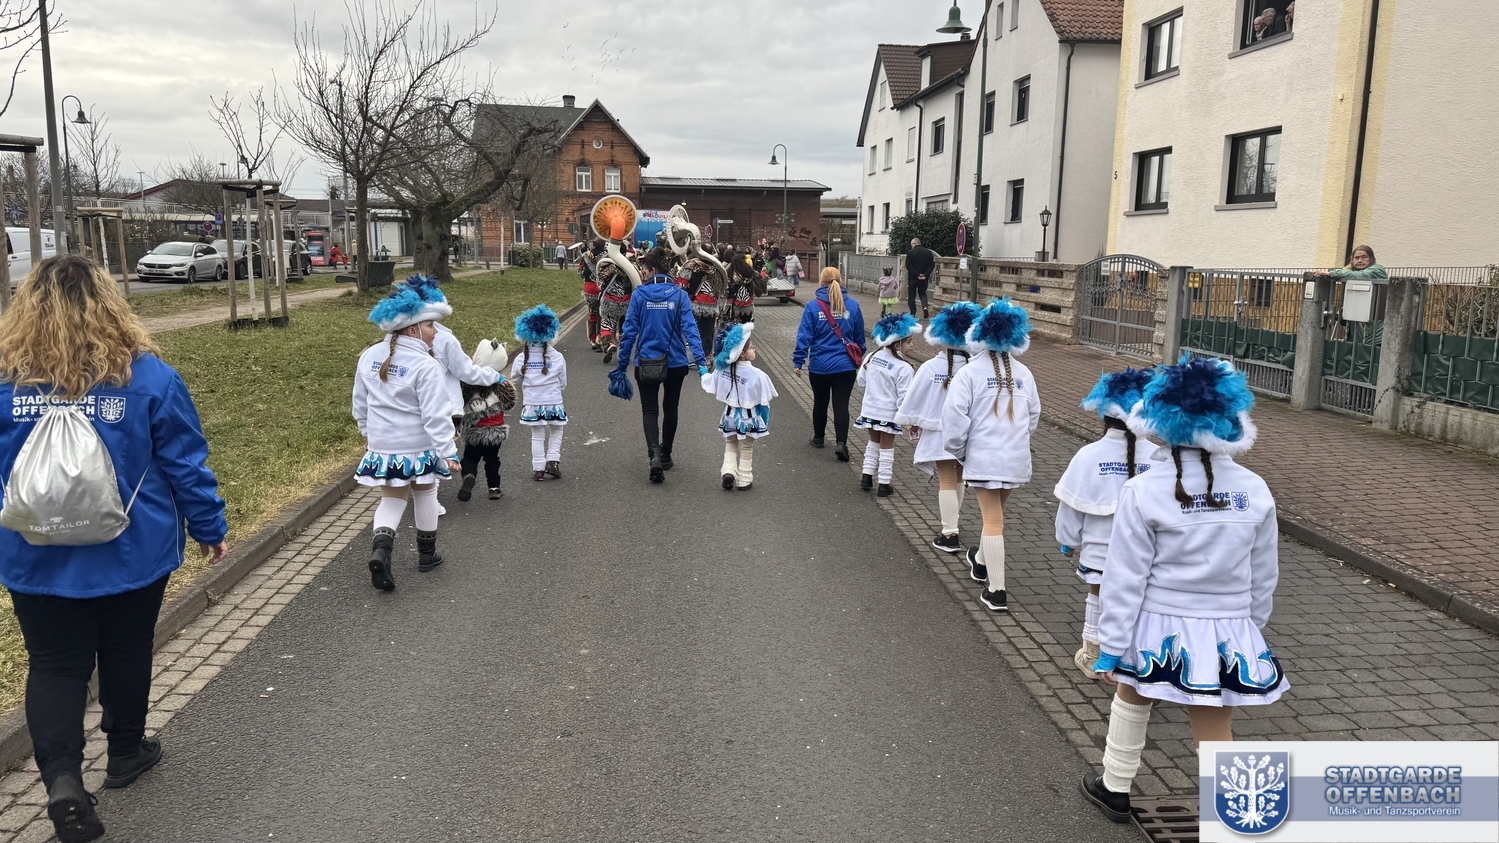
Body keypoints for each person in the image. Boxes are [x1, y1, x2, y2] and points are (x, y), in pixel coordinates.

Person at [0, 256, 227, 843]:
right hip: (133, 549)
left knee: (55, 664)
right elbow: (185, 464)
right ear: (110, 305)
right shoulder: (148, 378)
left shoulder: (4, 384)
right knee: (127, 648)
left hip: (34, 553)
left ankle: (62, 781)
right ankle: (126, 752)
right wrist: (208, 527)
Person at [1080, 356, 1285, 824]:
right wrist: (1250, 626)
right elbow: (1264, 570)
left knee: (1132, 695)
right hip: (1227, 625)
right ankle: (1237, 812)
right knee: (1214, 718)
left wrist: (1111, 645)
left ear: (1160, 419)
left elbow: (1125, 576)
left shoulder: (1144, 489)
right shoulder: (1255, 488)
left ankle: (1115, 786)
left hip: (1157, 622)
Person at [355, 279, 462, 591]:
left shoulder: (369, 356)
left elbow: (359, 402)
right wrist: (448, 451)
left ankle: (381, 551)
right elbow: (435, 415)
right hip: (418, 444)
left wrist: (366, 431)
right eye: (430, 325)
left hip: (382, 444)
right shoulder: (426, 365)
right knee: (425, 493)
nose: (435, 331)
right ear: (413, 329)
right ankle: (427, 556)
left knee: (391, 498)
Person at [1054, 367, 1155, 678]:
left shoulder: (1088, 455)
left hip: (1100, 549)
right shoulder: (1160, 456)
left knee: (1097, 596)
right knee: (1139, 600)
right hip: (1145, 553)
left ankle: (1092, 653)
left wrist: (1068, 540)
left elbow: (1071, 507)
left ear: (1104, 414)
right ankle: (1135, 654)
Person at [941, 298, 1040, 613]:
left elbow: (954, 420)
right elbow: (1033, 417)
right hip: (1015, 458)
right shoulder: (1025, 373)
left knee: (993, 519)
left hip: (984, 457)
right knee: (996, 515)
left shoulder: (969, 373)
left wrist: (960, 451)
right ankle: (981, 561)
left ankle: (997, 591)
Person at [610, 247, 709, 483]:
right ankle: (666, 454)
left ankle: (653, 454)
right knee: (671, 407)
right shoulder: (680, 296)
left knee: (649, 410)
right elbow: (691, 331)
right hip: (675, 362)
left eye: (644, 271)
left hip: (646, 362)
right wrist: (701, 363)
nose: (642, 275)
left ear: (653, 270)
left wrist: (622, 367)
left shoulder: (639, 296)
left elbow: (629, 333)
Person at [895, 301, 981, 554]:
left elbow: (913, 400)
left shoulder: (930, 367)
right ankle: (953, 522)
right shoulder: (975, 369)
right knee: (958, 477)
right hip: (968, 434)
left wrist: (914, 422)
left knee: (946, 479)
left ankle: (949, 532)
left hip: (939, 433)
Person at [792, 267, 866, 462]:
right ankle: (841, 443)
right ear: (840, 281)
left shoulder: (812, 306)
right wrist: (860, 355)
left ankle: (819, 438)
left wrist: (799, 360)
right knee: (841, 405)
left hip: (820, 366)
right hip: (845, 366)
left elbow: (804, 336)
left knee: (820, 402)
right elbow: (859, 337)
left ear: (821, 282)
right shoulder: (853, 305)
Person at [702, 323, 777, 490]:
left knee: (730, 442)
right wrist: (764, 420)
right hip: (750, 417)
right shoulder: (759, 376)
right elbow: (764, 402)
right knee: (747, 446)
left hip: (729, 416)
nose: (754, 349)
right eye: (751, 347)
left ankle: (728, 471)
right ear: (742, 353)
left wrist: (703, 371)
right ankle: (744, 478)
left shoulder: (723, 370)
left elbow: (709, 382)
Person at [856, 313, 918, 496]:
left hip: (869, 409)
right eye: (909, 342)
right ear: (897, 344)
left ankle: (866, 476)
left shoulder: (872, 356)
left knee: (873, 442)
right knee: (887, 446)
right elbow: (904, 398)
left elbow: (861, 381)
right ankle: (884, 483)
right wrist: (909, 419)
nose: (912, 345)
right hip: (888, 414)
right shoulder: (904, 367)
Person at [510, 305, 569, 482]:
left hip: (533, 402)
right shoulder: (557, 357)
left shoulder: (521, 359)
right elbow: (563, 381)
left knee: (537, 435)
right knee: (557, 429)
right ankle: (553, 461)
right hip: (553, 401)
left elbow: (515, 378)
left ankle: (538, 469)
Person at [456, 340, 516, 502]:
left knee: (470, 458)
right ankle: (494, 487)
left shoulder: (469, 383)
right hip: (495, 430)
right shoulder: (500, 383)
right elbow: (509, 403)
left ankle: (469, 475)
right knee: (492, 459)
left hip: (474, 430)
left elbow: (460, 401)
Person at [579, 239, 606, 352]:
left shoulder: (586, 255)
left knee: (592, 313)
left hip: (589, 288)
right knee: (603, 315)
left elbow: (580, 273)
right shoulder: (607, 256)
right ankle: (602, 339)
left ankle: (593, 340)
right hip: (603, 288)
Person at [904, 237, 937, 319]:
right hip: (924, 279)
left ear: (914, 244)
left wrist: (917, 274)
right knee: (922, 293)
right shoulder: (928, 253)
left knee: (912, 296)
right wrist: (925, 274)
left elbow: (908, 266)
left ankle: (913, 313)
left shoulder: (910, 252)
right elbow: (931, 265)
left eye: (911, 244)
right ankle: (925, 307)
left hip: (913, 278)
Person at [1314, 244, 1386, 280]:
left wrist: (1330, 273)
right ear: (1352, 260)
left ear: (1371, 259)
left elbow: (1360, 275)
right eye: (1356, 258)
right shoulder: (1351, 270)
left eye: (1364, 257)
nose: (1360, 261)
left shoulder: (1377, 269)